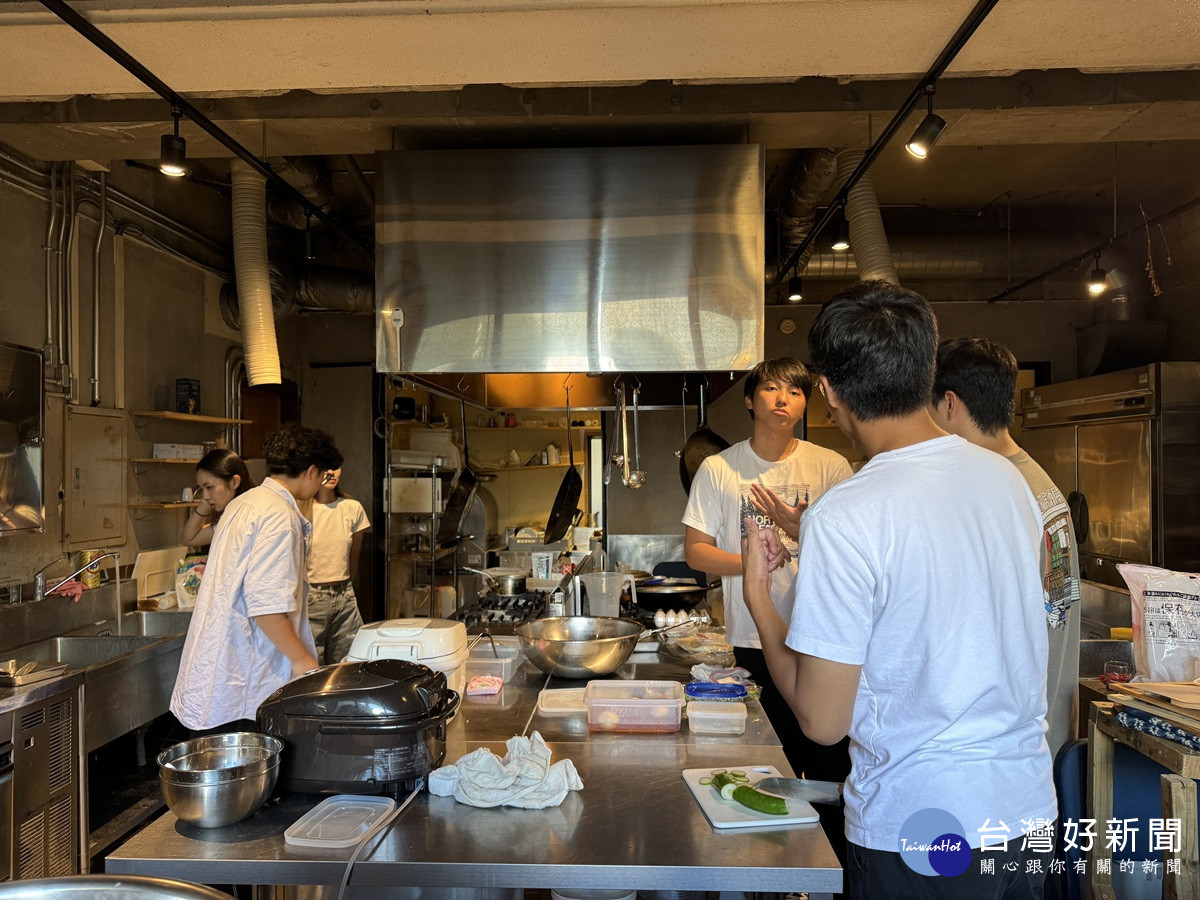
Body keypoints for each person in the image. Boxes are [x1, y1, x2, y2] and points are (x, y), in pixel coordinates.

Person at [740, 281, 1056, 898]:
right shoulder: (1006, 481)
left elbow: (823, 721)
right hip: (1023, 814)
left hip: (921, 826)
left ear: (828, 392)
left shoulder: (848, 512)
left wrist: (759, 598)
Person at [681, 357, 854, 786]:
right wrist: (753, 563)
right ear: (749, 400)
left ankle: (829, 850)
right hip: (752, 639)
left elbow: (850, 554)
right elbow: (696, 553)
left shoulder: (830, 467)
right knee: (764, 762)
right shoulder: (719, 468)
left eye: (795, 392)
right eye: (771, 389)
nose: (783, 399)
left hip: (820, 638)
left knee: (827, 767)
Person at [930, 336, 1081, 759]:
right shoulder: (1039, 487)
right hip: (1039, 739)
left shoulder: (994, 492)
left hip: (1003, 745)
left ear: (949, 405)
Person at [170, 425, 343, 735]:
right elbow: (265, 605)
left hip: (221, 677)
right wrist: (303, 660)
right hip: (242, 680)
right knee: (245, 776)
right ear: (312, 471)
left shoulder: (243, 503)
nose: (319, 485)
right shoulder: (278, 516)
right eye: (320, 477)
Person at [307, 466, 370, 665]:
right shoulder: (302, 509)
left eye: (335, 468)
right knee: (311, 667)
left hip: (345, 595)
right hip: (311, 596)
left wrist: (346, 585)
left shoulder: (352, 507)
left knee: (348, 663)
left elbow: (354, 558)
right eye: (325, 468)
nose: (331, 473)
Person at [181, 448, 254, 548]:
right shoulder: (228, 519)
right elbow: (189, 539)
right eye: (202, 488)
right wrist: (204, 506)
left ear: (234, 482)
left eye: (209, 487)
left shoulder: (250, 516)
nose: (205, 495)